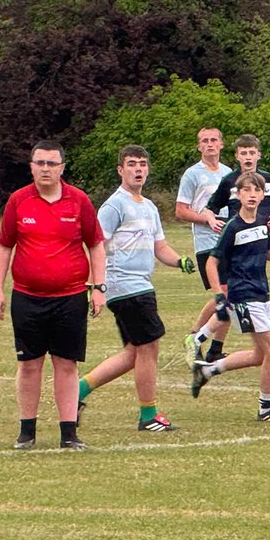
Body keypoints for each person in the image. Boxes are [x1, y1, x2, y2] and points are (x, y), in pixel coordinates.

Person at [0, 140, 106, 451]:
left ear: (62, 168)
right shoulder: (18, 201)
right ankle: (26, 431)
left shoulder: (78, 201)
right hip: (27, 297)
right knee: (29, 364)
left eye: (51, 163)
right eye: (40, 163)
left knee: (66, 364)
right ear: (31, 167)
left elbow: (96, 245)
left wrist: (98, 288)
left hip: (70, 298)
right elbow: (4, 246)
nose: (45, 169)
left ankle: (68, 432)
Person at [78, 145, 197, 432]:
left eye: (142, 164)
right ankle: (148, 416)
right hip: (126, 287)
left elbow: (160, 247)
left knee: (134, 353)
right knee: (149, 347)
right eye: (132, 164)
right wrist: (98, 286)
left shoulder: (149, 206)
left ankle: (78, 391)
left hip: (141, 285)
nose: (138, 169)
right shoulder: (114, 205)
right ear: (121, 170)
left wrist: (179, 261)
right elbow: (97, 245)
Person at [189, 172, 270, 420]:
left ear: (262, 195)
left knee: (259, 355)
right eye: (247, 190)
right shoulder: (233, 227)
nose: (252, 195)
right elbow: (212, 263)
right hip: (243, 295)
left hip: (262, 293)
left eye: (257, 191)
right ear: (238, 195)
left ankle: (208, 371)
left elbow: (269, 252)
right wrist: (219, 296)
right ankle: (266, 408)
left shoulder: (262, 222)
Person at [191, 134, 270, 368]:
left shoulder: (268, 180)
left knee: (242, 298)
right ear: (237, 156)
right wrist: (212, 221)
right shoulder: (230, 181)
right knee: (233, 295)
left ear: (258, 155)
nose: (248, 157)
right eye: (243, 153)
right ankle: (199, 340)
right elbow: (210, 209)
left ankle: (212, 349)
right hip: (236, 246)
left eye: (252, 153)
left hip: (258, 244)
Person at [175, 127, 232, 366]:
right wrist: (208, 219)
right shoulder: (192, 174)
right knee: (225, 295)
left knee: (233, 295)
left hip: (231, 242)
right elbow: (180, 211)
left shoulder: (230, 173)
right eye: (204, 141)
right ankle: (194, 337)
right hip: (208, 245)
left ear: (221, 144)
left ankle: (215, 349)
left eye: (213, 140)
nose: (209, 144)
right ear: (199, 146)